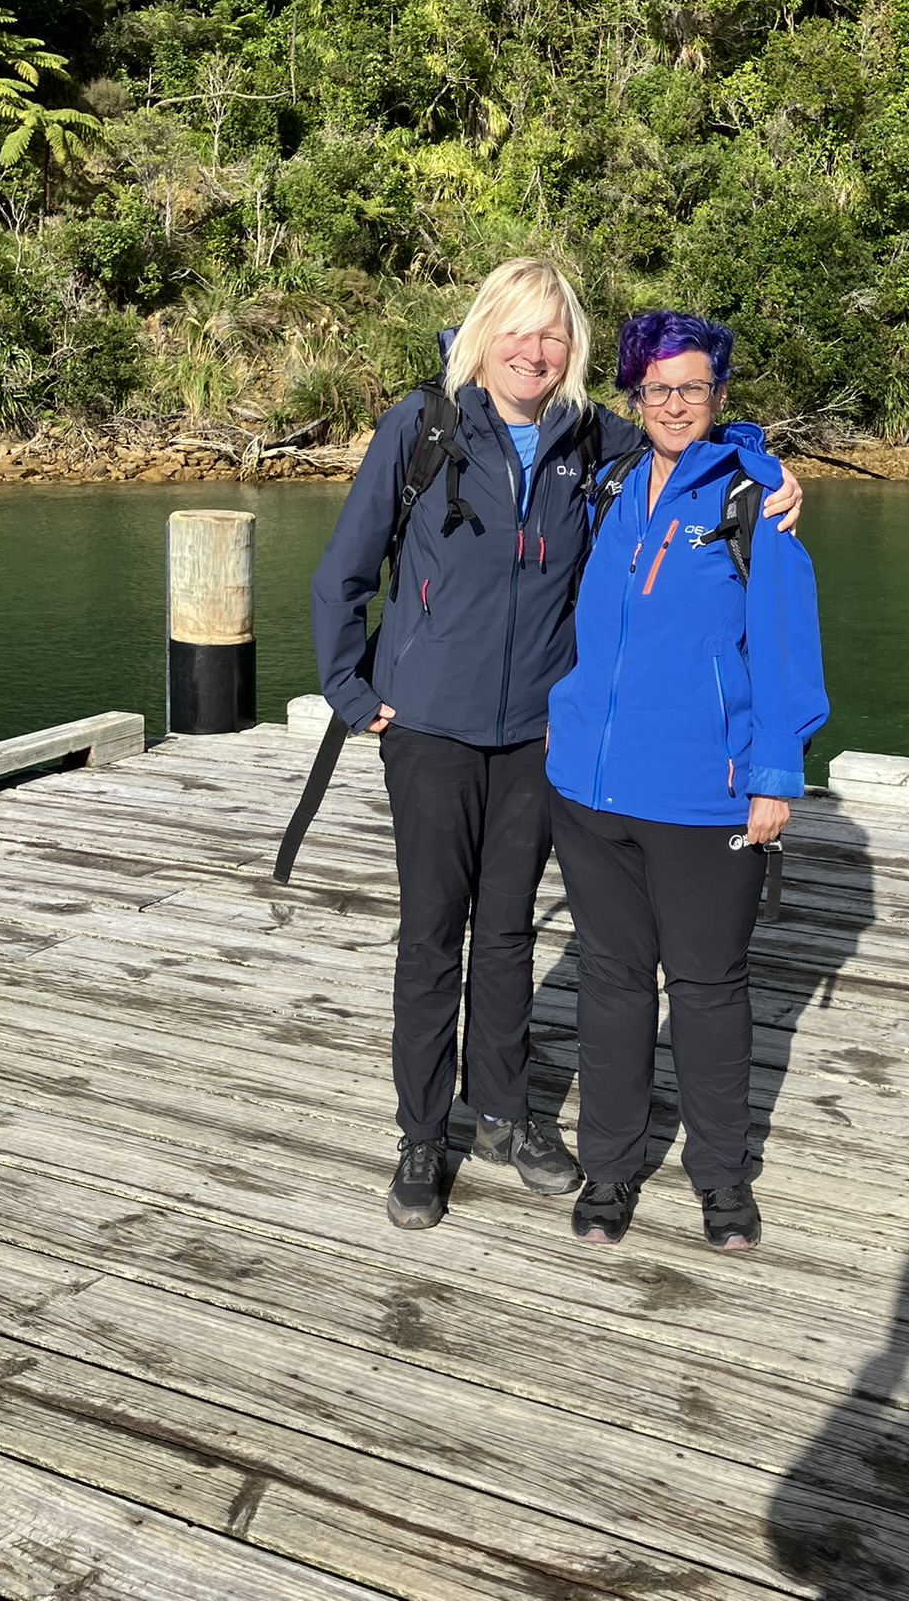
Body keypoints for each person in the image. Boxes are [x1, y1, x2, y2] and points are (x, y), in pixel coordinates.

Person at [310, 260, 803, 1229]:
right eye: (517, 330)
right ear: (481, 333)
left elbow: (687, 428)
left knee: (506, 933)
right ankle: (423, 1134)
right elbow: (345, 570)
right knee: (431, 935)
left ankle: (504, 1111)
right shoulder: (423, 427)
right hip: (428, 727)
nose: (533, 351)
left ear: (573, 350)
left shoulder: (592, 437)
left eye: (553, 334)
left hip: (539, 734)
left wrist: (766, 462)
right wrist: (351, 692)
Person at [545, 310, 828, 1252]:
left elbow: (786, 649)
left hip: (707, 796)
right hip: (590, 792)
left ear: (719, 395)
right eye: (658, 388)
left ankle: (721, 1179)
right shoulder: (610, 483)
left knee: (707, 991)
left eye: (693, 388)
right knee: (612, 987)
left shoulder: (753, 497)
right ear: (634, 397)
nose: (674, 404)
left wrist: (776, 775)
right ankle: (609, 1168)